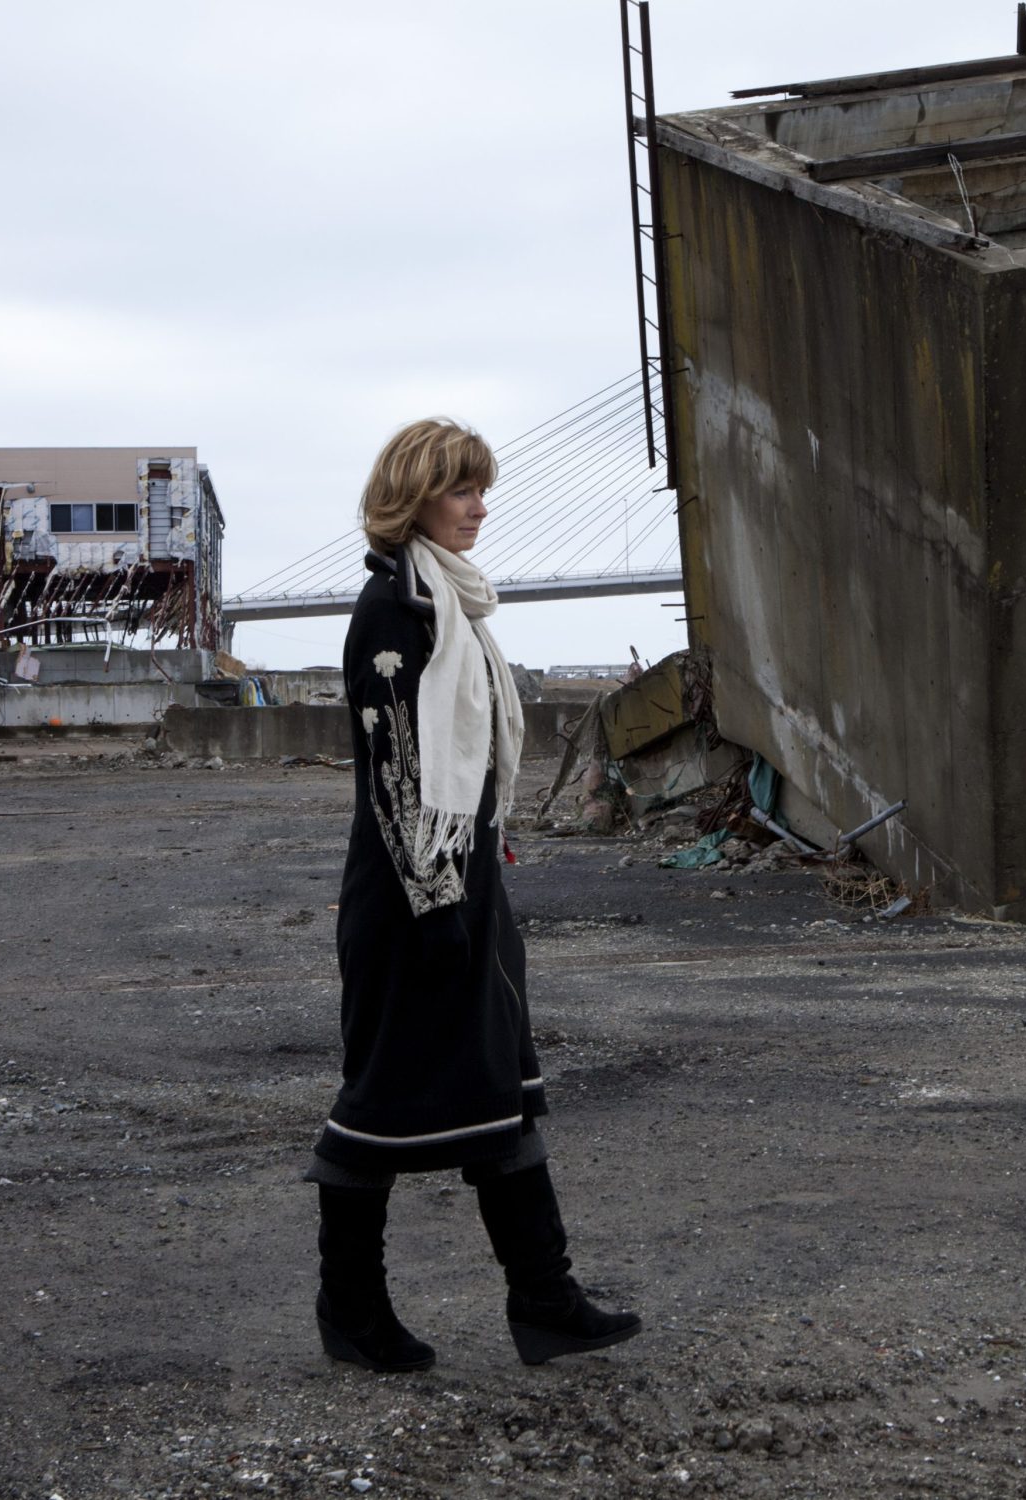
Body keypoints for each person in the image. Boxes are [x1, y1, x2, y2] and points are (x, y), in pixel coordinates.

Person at [304, 417, 641, 1370]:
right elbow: (396, 774)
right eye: (461, 491)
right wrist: (439, 901)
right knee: (379, 1107)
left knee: (502, 1094)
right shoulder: (393, 611)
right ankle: (352, 1311)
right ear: (414, 498)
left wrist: (482, 863)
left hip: (464, 883)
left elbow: (465, 769)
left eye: (482, 490)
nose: (479, 509)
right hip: (415, 899)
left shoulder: (457, 608)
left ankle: (544, 1300)